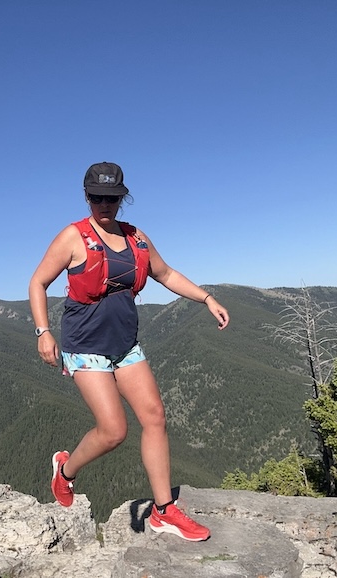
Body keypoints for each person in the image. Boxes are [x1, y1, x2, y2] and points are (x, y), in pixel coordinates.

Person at [28, 161, 229, 541]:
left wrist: (206, 298)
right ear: (87, 197)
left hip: (124, 342)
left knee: (155, 416)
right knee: (114, 430)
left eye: (113, 198)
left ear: (123, 199)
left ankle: (163, 510)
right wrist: (43, 331)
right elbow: (38, 282)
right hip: (85, 345)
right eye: (97, 197)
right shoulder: (73, 237)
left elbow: (165, 273)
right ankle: (65, 471)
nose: (105, 204)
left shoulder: (137, 237)